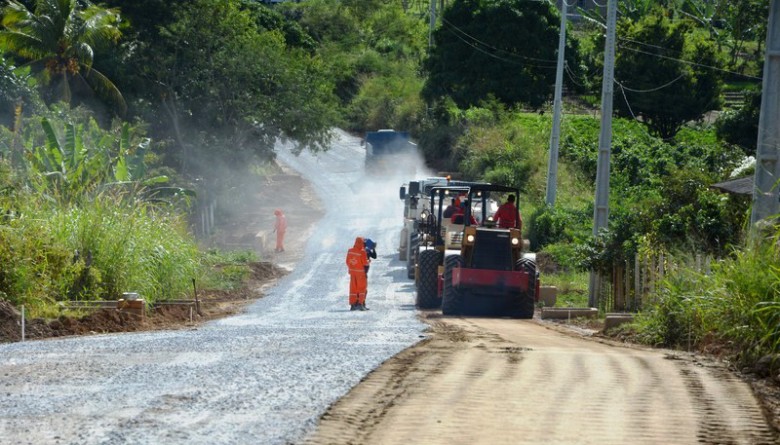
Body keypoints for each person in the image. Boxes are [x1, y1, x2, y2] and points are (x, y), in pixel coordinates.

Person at [346, 237, 370, 311]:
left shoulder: (350, 251)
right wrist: (368, 261)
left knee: (353, 289)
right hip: (361, 273)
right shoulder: (362, 252)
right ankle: (360, 304)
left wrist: (352, 267)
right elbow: (365, 263)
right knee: (362, 288)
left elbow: (347, 261)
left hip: (352, 273)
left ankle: (353, 305)